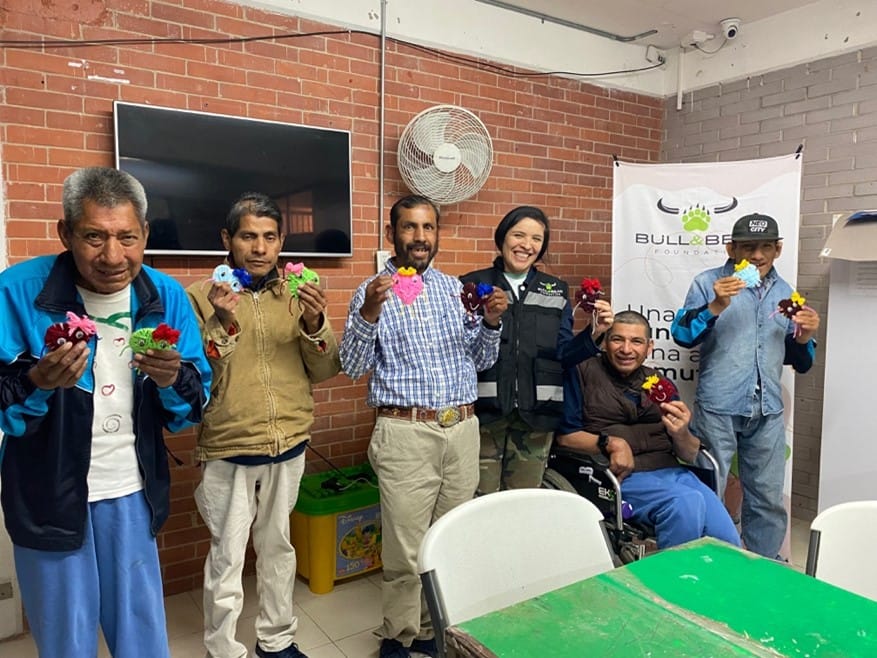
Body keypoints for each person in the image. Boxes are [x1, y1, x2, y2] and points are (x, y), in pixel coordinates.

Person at [0, 166, 212, 658]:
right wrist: (37, 381)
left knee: (142, 638)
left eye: (127, 238)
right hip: (47, 499)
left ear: (145, 234)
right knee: (67, 642)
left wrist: (170, 379)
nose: (113, 257)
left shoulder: (164, 297)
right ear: (66, 233)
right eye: (94, 237)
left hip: (132, 493)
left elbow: (195, 402)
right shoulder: (16, 292)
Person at [340, 195, 507, 658]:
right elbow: (352, 366)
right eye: (409, 227)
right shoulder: (371, 291)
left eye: (428, 227)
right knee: (405, 548)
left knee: (450, 539)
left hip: (462, 430)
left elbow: (481, 360)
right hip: (406, 433)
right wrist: (369, 313)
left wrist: (491, 323)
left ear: (437, 234)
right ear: (391, 234)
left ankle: (435, 631)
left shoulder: (456, 290)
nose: (419, 237)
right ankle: (398, 635)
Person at [186, 193, 341, 658]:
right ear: (227, 239)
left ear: (281, 241)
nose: (259, 248)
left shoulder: (297, 292)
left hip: (289, 442)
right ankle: (222, 649)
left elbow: (325, 368)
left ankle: (277, 641)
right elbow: (198, 378)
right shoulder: (198, 297)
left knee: (279, 550)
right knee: (227, 557)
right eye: (248, 236)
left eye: (269, 237)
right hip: (229, 444)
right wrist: (222, 320)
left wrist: (314, 320)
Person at [671, 213, 819, 559]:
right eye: (748, 247)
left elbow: (801, 362)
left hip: (767, 410)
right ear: (731, 249)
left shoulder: (786, 292)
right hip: (718, 407)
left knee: (767, 497)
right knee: (710, 489)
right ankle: (706, 561)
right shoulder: (708, 282)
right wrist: (715, 306)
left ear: (778, 250)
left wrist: (805, 337)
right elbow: (682, 335)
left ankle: (764, 566)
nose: (757, 255)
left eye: (766, 246)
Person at [557, 311, 741, 550]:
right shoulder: (581, 372)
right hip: (617, 476)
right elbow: (565, 438)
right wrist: (611, 443)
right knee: (685, 502)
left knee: (727, 540)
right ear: (604, 342)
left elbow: (688, 453)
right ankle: (674, 574)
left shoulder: (659, 383)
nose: (626, 349)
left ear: (649, 347)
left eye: (636, 341)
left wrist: (681, 432)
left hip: (672, 472)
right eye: (617, 339)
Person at [460, 206, 614, 493]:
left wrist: (595, 334)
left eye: (536, 239)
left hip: (537, 417)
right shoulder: (473, 284)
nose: (526, 245)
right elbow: (461, 349)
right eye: (518, 235)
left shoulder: (555, 289)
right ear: (502, 238)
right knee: (479, 500)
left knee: (524, 500)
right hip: (484, 414)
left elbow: (563, 355)